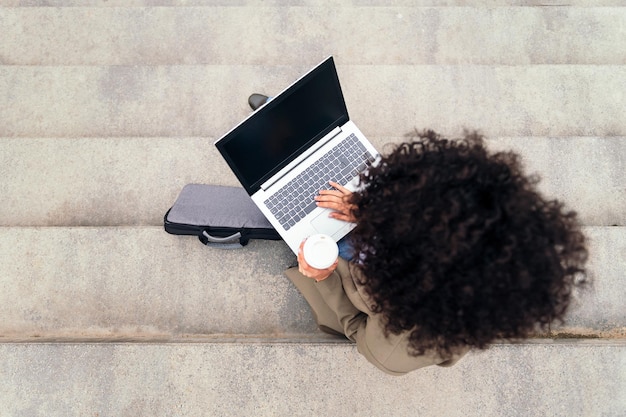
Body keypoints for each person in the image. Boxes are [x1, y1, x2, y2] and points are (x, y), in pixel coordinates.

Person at [249, 95, 589, 376]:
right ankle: (302, 148)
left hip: (352, 276)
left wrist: (324, 277)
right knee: (331, 185)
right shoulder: (494, 233)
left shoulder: (395, 348)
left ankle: (282, 155)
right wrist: (369, 208)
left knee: (308, 229)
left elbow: (355, 326)